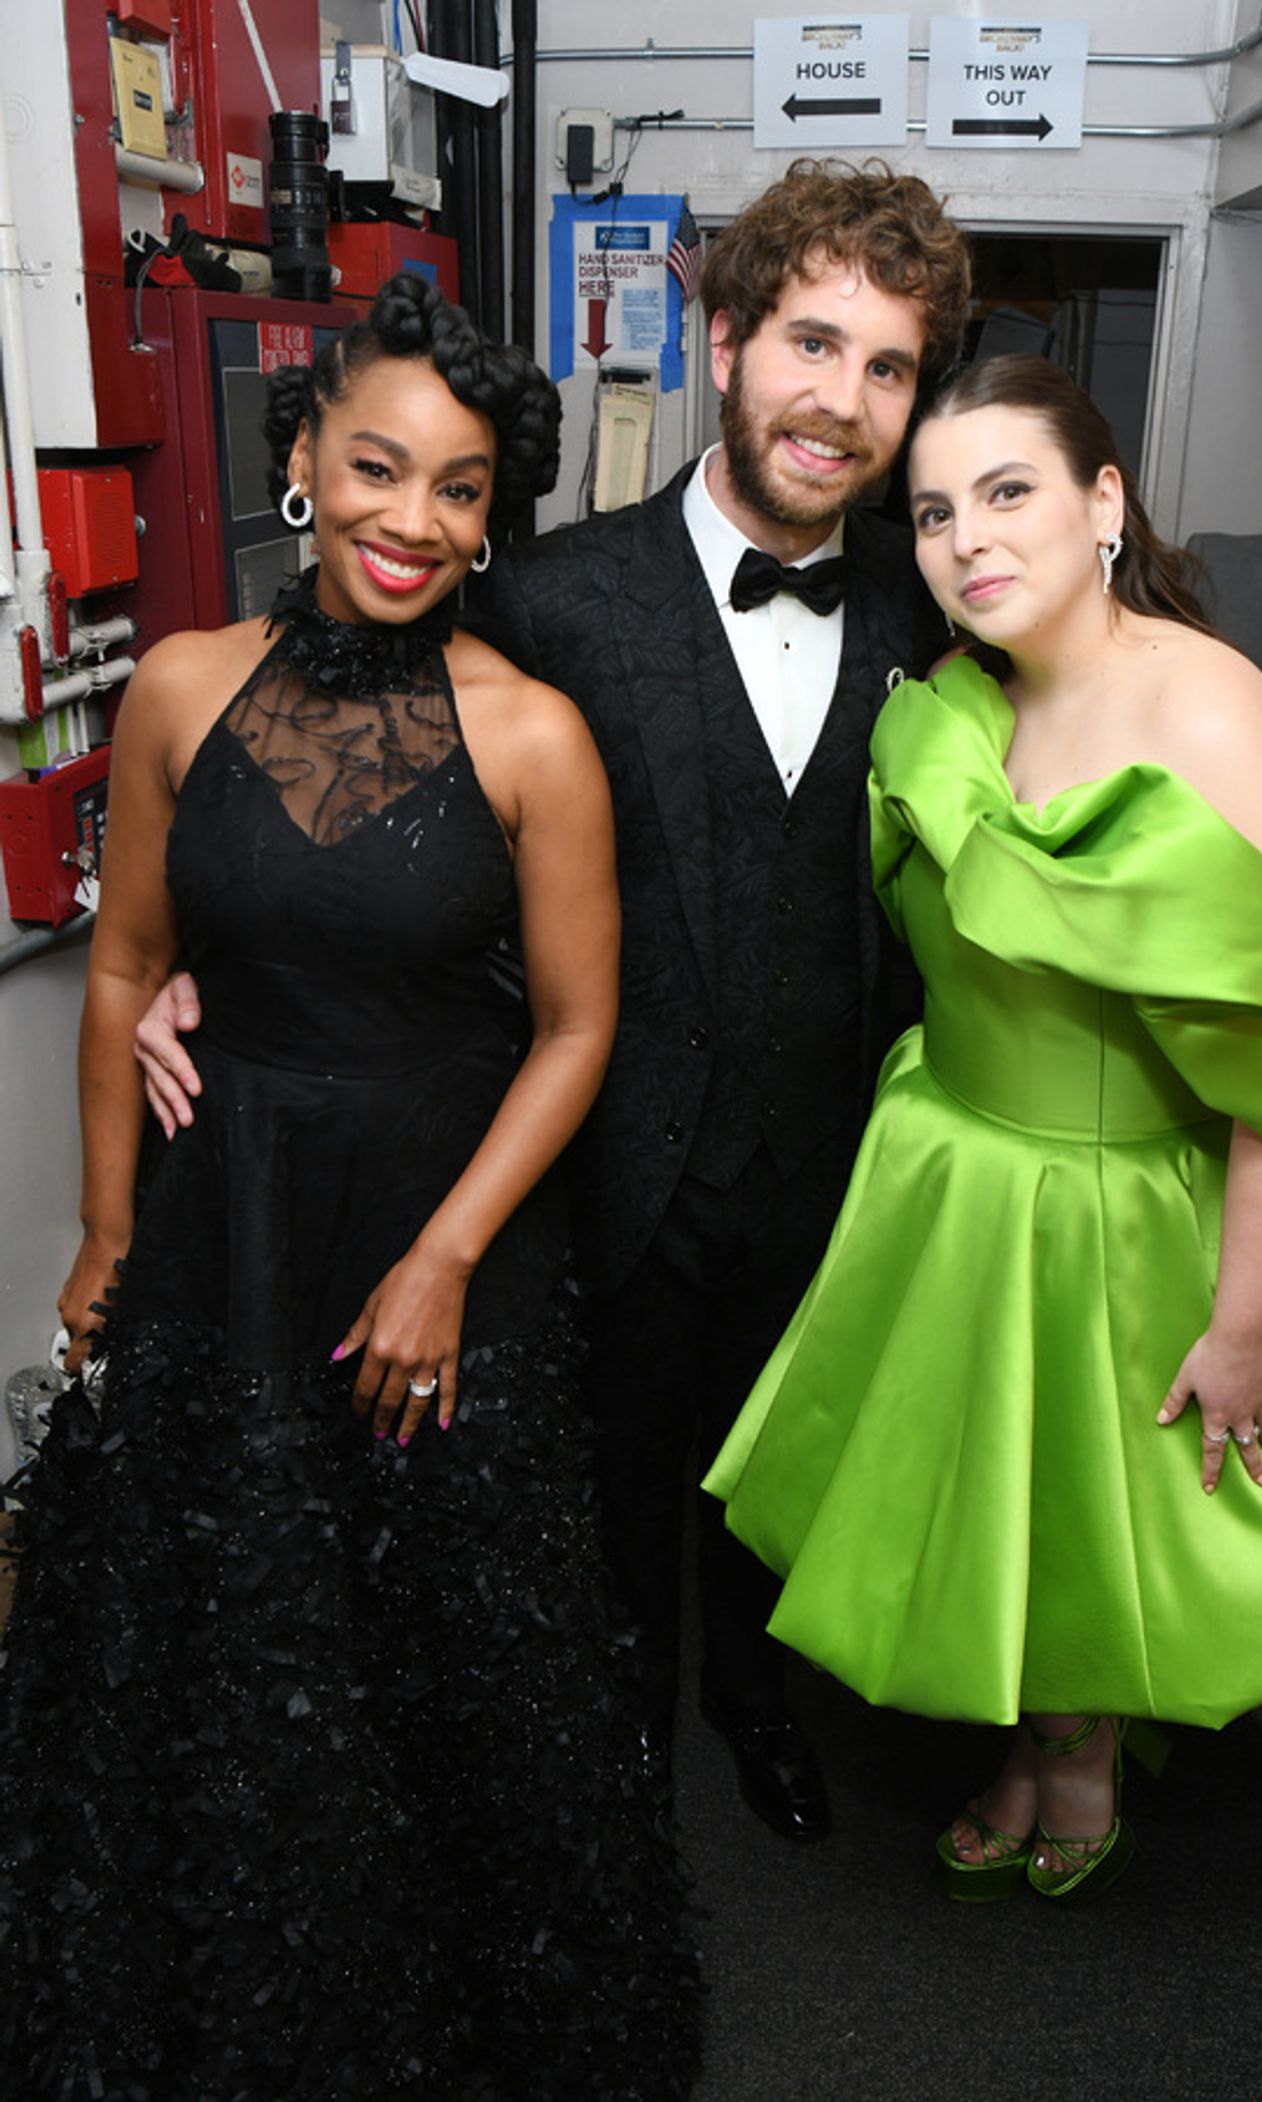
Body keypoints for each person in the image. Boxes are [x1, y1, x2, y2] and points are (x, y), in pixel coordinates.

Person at [134, 159, 972, 1844]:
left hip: (836, 1158)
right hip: (595, 1167)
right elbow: (386, 806)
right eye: (812, 344)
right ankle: (617, 1759)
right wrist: (203, 961)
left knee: (787, 1465)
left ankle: (755, 1697)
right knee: (595, 1505)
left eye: (887, 367)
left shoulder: (935, 600)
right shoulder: (553, 594)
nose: (842, 400)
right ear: (725, 342)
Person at [0, 276, 700, 2098]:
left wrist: (446, 1256)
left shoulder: (533, 735)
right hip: (221, 1223)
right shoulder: (178, 687)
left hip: (439, 1231)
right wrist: (104, 1229)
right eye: (378, 467)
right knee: (221, 1628)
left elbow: (579, 1029)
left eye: (460, 488)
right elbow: (126, 968)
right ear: (303, 457)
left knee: (440, 1650)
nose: (412, 519)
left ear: (493, 515)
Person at [705, 353, 1262, 1902]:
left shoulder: (1210, 712)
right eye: (934, 511)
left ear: (1104, 501)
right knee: (1002, 1495)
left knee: (1095, 1508)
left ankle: (1078, 1764)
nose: (968, 539)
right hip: (960, 1170)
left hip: (1128, 1206)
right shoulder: (967, 694)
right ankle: (1039, 1743)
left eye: (1008, 491)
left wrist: (1242, 1324)